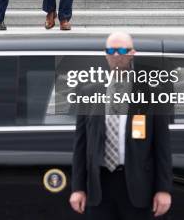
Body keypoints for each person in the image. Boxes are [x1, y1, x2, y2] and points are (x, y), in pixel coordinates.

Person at [70, 32, 173, 219]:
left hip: (138, 186)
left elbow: (162, 146)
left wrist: (163, 189)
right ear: (105, 54)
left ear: (132, 53)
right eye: (111, 50)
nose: (116, 55)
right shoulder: (88, 92)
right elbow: (81, 145)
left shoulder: (151, 93)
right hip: (99, 186)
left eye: (122, 50)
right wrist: (78, 188)